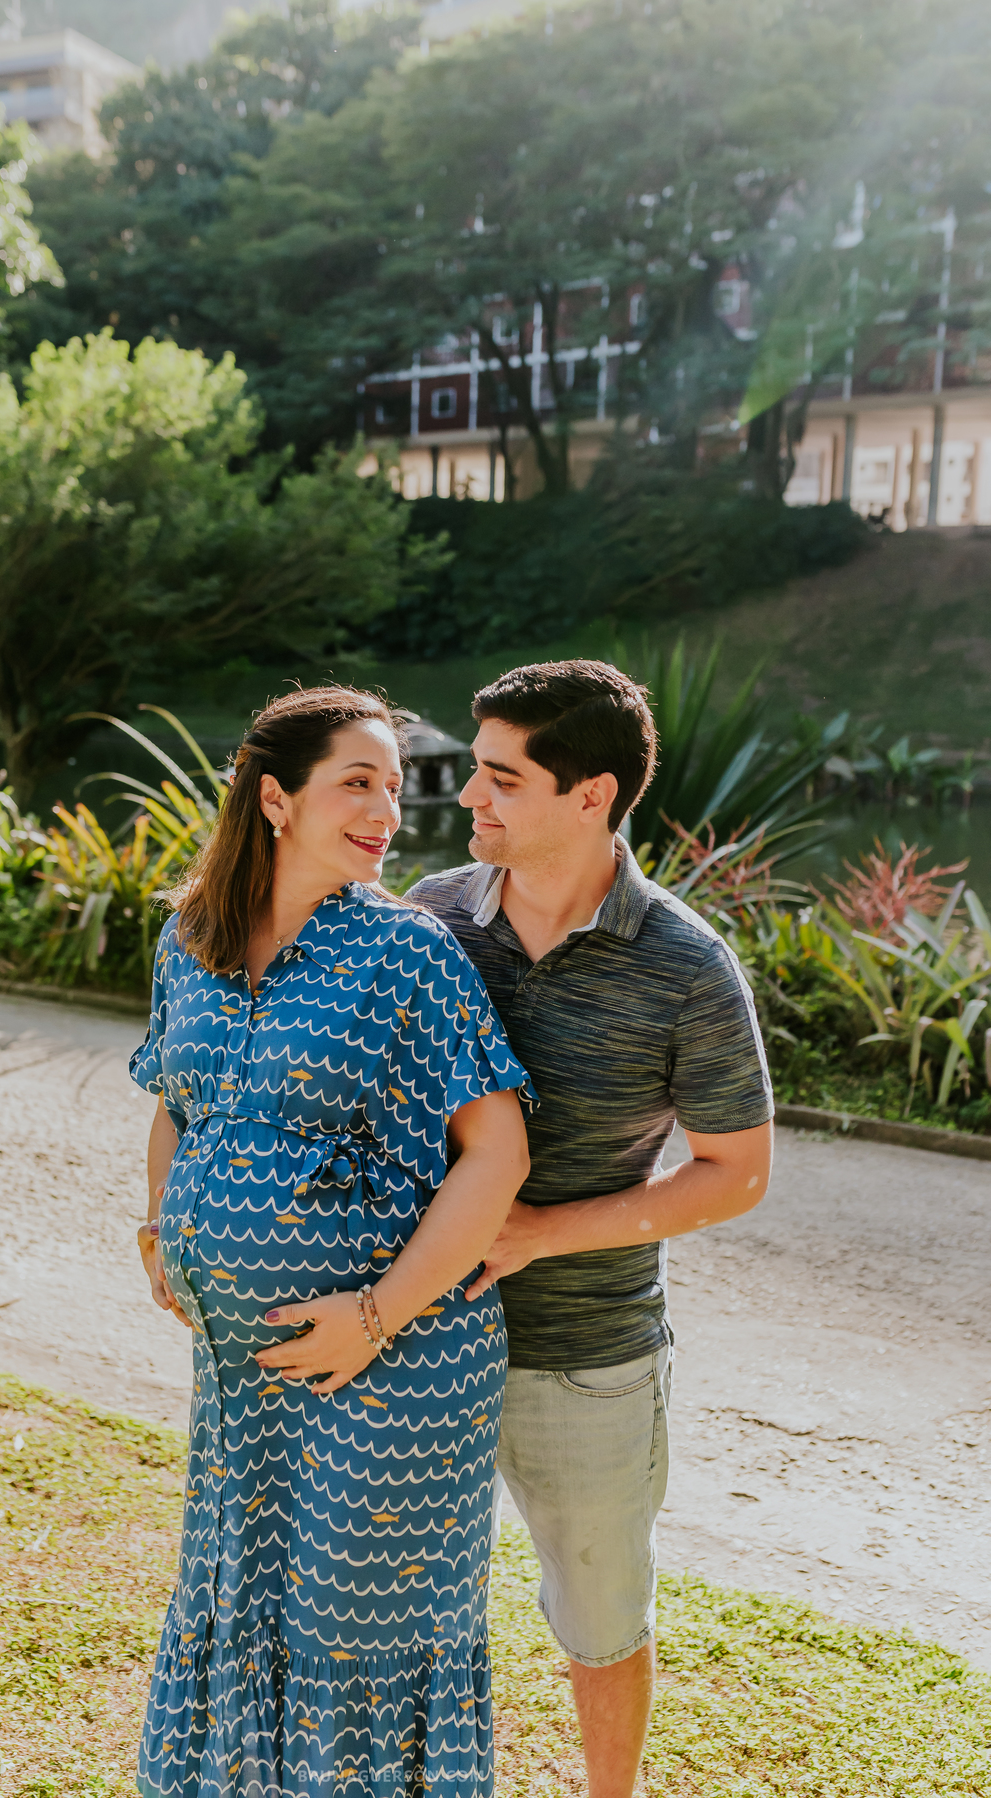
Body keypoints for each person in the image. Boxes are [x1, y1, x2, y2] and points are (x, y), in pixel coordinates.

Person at [131, 686, 532, 1798]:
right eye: (358, 782)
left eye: (395, 789)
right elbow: (174, 1098)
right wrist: (166, 1227)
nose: (387, 812)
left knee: (351, 1627)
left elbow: (497, 1156)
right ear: (275, 797)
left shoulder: (407, 954)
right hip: (241, 1373)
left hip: (396, 1371)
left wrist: (373, 1315)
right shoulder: (193, 936)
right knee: (243, 1593)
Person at [408, 660, 774, 1798]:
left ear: (591, 792)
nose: (473, 798)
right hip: (415, 1339)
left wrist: (543, 1231)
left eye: (503, 778)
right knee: (406, 1608)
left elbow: (737, 1173)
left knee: (600, 1617)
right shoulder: (428, 919)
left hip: (590, 1359)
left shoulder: (687, 966)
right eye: (476, 770)